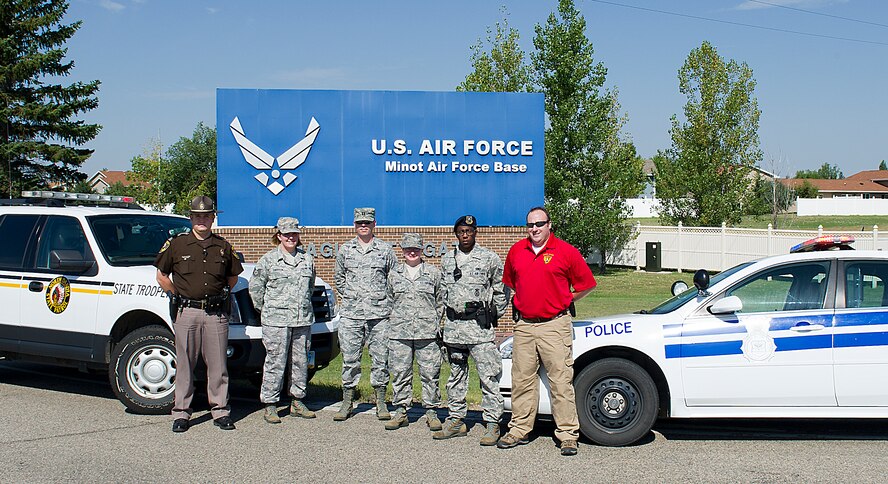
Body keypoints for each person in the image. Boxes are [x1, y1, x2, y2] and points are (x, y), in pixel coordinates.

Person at [497, 206, 597, 456]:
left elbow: (587, 284)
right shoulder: (516, 251)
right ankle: (519, 429)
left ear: (549, 225)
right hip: (525, 326)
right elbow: (510, 284)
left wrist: (566, 299)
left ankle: (567, 435)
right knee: (521, 380)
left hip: (555, 325)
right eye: (530, 225)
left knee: (560, 381)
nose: (535, 229)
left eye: (539, 224)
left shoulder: (566, 251)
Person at [154, 196, 243, 433]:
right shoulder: (176, 245)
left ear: (213, 218)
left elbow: (232, 277)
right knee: (185, 364)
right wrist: (175, 295)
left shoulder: (223, 246)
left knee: (218, 365)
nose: (202, 219)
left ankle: (221, 411)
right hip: (187, 312)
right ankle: (181, 413)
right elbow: (162, 276)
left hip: (215, 313)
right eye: (197, 215)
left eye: (206, 215)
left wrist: (221, 294)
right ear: (191, 218)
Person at [433, 215, 507, 446]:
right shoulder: (447, 260)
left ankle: (493, 422)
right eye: (461, 231)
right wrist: (439, 323)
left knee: (488, 376)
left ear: (476, 233)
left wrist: (495, 314)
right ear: (456, 234)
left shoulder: (489, 258)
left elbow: (501, 288)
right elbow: (441, 294)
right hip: (454, 329)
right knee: (455, 376)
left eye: (470, 231)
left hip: (479, 329)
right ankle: (456, 420)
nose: (465, 235)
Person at [249, 217, 317, 424]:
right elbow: (256, 289)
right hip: (276, 320)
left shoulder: (307, 260)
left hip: (302, 319)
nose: (291, 237)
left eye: (294, 234)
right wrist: (267, 310)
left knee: (300, 361)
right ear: (278, 236)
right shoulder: (268, 260)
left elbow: (310, 287)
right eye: (286, 234)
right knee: (275, 362)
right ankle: (270, 404)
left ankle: (297, 400)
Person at [333, 207, 397, 421]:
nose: (363, 226)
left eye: (367, 223)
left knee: (381, 359)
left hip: (379, 315)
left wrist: (380, 300)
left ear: (374, 224)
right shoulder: (345, 250)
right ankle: (347, 401)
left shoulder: (385, 250)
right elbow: (339, 279)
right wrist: (353, 297)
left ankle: (380, 401)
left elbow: (393, 279)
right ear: (354, 225)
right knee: (350, 359)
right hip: (352, 314)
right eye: (360, 222)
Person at [384, 233, 444, 431]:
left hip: (427, 333)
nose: (412, 252)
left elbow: (441, 301)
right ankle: (401, 411)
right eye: (408, 248)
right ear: (402, 250)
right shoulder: (394, 274)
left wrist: (435, 322)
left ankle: (431, 412)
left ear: (422, 250)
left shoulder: (433, 274)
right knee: (400, 373)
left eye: (416, 248)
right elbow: (388, 300)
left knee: (430, 374)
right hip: (400, 333)